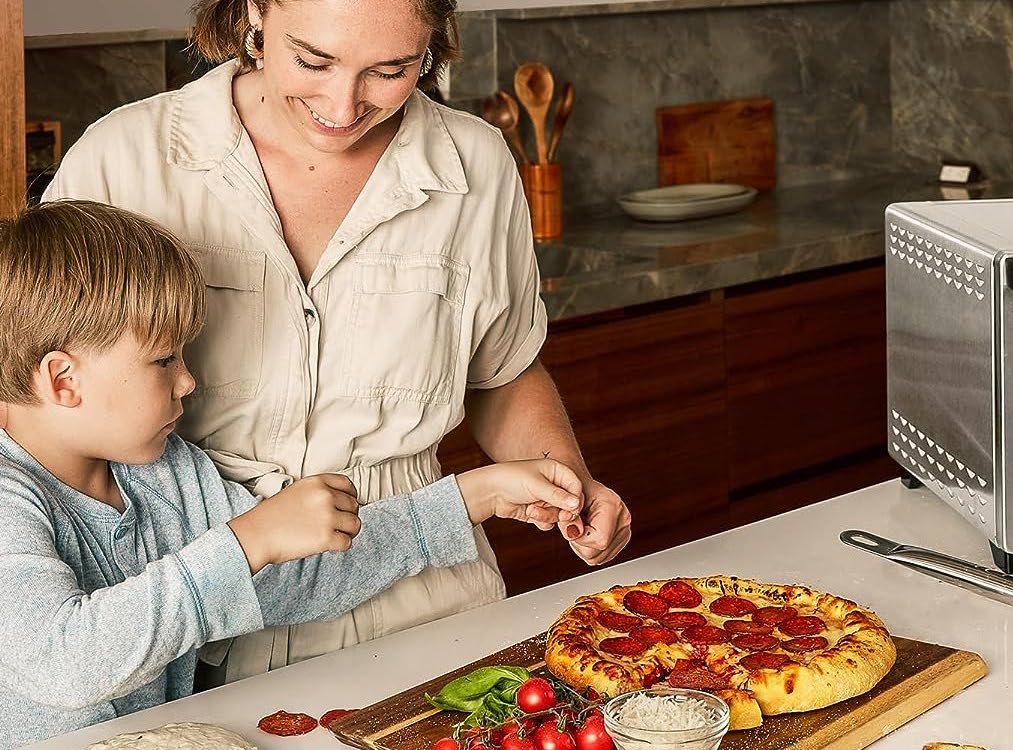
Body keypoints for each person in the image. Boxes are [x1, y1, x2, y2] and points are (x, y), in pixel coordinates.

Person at [43, 0, 631, 683]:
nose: (343, 104)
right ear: (256, 14)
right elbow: (41, 403)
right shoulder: (125, 159)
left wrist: (566, 480)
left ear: (432, 45)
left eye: (390, 70)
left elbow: (499, 371)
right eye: (313, 60)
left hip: (425, 598)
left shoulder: (475, 164)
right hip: (188, 610)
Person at [0, 200, 588, 748]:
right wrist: (248, 540)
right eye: (163, 360)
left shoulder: (164, 471)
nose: (188, 381)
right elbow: (63, 662)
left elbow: (292, 580)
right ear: (63, 380)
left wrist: (468, 498)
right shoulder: (9, 497)